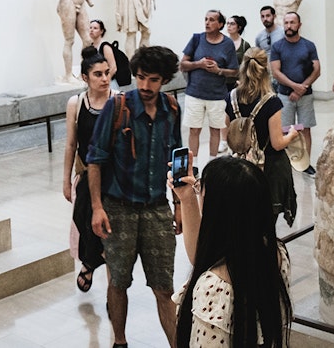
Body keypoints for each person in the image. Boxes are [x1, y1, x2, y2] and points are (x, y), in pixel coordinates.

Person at [87, 45, 182, 347]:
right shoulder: (118, 108)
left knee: (164, 287)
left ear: (164, 80)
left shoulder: (171, 110)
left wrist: (179, 205)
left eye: (153, 79)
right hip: (119, 209)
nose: (145, 86)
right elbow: (94, 160)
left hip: (157, 209)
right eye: (141, 77)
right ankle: (120, 341)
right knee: (118, 281)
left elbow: (177, 161)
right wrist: (97, 207)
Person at [170, 157, 292, 348]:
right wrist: (187, 198)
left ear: (217, 209)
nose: (197, 191)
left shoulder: (214, 286)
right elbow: (202, 257)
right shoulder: (275, 253)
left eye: (201, 188)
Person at [225, 48, 300, 227]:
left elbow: (226, 132)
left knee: (245, 220)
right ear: (266, 70)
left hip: (240, 166)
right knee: (266, 223)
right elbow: (277, 143)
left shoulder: (231, 98)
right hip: (269, 169)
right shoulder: (271, 101)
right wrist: (291, 135)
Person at [62, 47, 112, 292]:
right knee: (85, 222)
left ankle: (111, 289)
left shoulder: (118, 100)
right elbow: (71, 144)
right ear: (85, 77)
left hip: (113, 177)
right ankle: (90, 262)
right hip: (85, 174)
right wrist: (65, 180)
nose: (104, 79)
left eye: (107, 73)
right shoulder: (77, 103)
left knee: (111, 231)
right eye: (98, 74)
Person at [181, 11, 239, 158]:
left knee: (215, 130)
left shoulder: (227, 44)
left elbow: (234, 71)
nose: (207, 22)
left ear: (220, 24)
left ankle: (212, 162)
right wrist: (199, 64)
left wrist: (219, 70)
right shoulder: (197, 39)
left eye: (212, 20)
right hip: (195, 93)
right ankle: (193, 164)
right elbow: (183, 65)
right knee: (194, 130)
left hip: (217, 95)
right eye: (206, 19)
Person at [270, 11, 320, 176]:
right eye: (286, 23)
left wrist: (302, 88)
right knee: (286, 129)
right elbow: (276, 72)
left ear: (299, 25)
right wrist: (294, 87)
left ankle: (305, 164)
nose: (289, 26)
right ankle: (288, 163)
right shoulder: (277, 46)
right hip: (285, 95)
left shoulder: (309, 45)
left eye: (292, 22)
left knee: (305, 129)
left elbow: (316, 70)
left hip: (305, 95)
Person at [224, 15, 251, 90]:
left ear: (239, 27)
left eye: (232, 24)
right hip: (223, 83)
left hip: (239, 83)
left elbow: (249, 66)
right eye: (228, 23)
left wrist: (244, 81)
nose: (229, 26)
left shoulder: (245, 45)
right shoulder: (222, 43)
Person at [87, 19, 119, 83]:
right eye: (90, 28)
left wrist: (105, 80)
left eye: (95, 28)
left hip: (109, 82)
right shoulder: (91, 46)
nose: (91, 30)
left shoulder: (105, 46)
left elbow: (113, 68)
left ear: (101, 31)